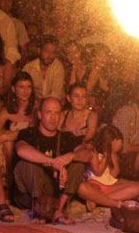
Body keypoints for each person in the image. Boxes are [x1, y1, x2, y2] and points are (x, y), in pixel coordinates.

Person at [14, 96, 93, 224]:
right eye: (49, 112)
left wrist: (71, 156)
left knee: (78, 163)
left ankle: (58, 210)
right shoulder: (28, 133)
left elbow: (88, 154)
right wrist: (54, 162)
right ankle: (40, 209)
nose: (53, 117)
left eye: (56, 113)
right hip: (29, 194)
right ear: (39, 115)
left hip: (54, 191)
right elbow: (21, 150)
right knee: (27, 163)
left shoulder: (67, 137)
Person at [76, 125, 139, 211]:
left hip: (109, 186)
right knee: (89, 188)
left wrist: (113, 153)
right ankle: (100, 199)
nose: (120, 147)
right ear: (110, 141)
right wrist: (107, 153)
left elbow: (114, 173)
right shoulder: (94, 151)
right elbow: (98, 172)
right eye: (118, 144)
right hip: (95, 184)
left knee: (138, 187)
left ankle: (98, 201)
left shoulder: (111, 154)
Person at [0, 71, 36, 175]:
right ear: (13, 89)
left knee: (7, 141)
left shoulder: (36, 108)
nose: (25, 91)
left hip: (32, 145)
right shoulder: (6, 110)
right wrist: (1, 137)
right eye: (21, 87)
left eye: (28, 87)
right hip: (11, 147)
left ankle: (11, 176)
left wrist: (5, 136)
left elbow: (32, 132)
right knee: (0, 142)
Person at [21, 35, 66, 101]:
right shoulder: (28, 68)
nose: (50, 55)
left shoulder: (58, 67)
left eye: (53, 52)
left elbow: (56, 94)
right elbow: (22, 91)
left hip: (53, 104)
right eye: (47, 51)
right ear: (39, 50)